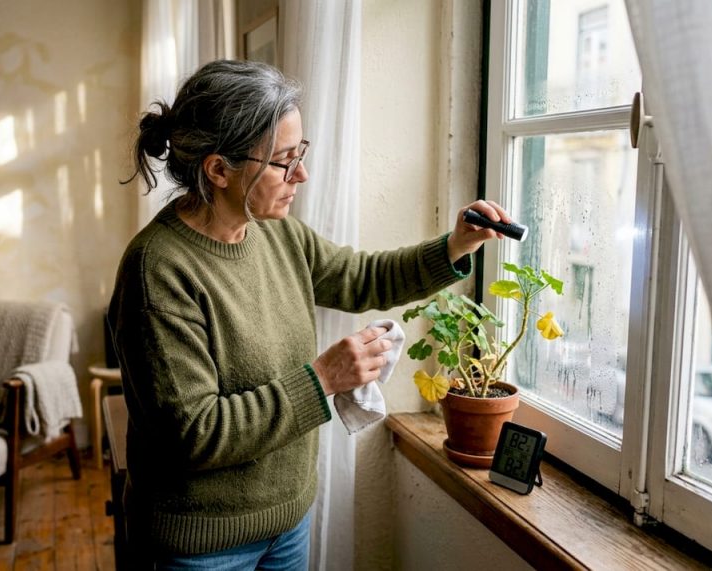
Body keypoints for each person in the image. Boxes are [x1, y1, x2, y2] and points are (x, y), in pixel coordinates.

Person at [109, 59, 511, 570]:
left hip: (288, 523)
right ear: (218, 170)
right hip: (198, 547)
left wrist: (456, 244)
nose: (302, 173)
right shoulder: (158, 270)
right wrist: (323, 379)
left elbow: (364, 277)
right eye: (283, 160)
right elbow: (195, 433)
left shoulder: (278, 233)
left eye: (301, 152)